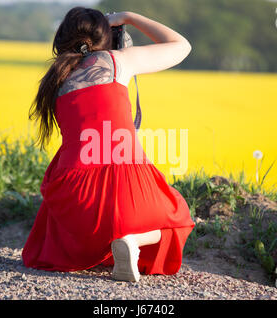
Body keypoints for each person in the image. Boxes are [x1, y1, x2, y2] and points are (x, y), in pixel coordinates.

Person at [22, 7, 195, 282]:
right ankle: (133, 240)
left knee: (80, 232)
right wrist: (128, 17)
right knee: (179, 216)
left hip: (75, 199)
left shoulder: (56, 78)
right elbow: (181, 46)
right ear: (107, 36)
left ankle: (113, 238)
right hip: (127, 187)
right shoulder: (119, 61)